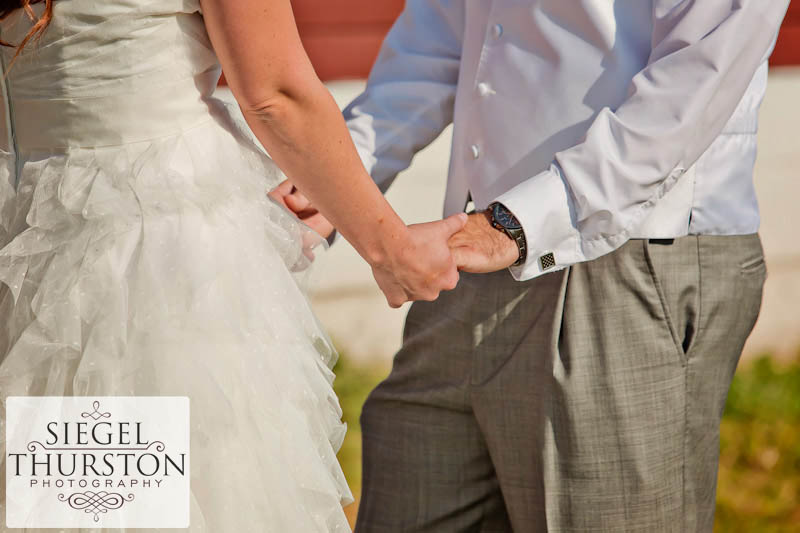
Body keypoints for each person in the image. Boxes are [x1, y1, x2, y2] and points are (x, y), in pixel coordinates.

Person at [274, 1, 790, 531]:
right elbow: (445, 24)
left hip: (629, 257)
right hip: (475, 249)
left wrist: (518, 225)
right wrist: (348, 166)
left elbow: (704, 67)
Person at [0, 0, 466, 530]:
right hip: (140, 256)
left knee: (73, 503)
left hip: (23, 232)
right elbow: (276, 96)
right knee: (142, 504)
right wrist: (392, 251)